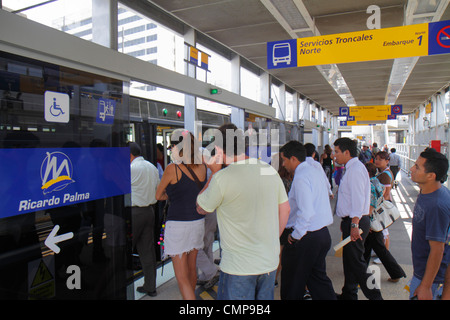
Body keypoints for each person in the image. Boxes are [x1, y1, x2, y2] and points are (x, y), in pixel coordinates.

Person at [196, 123, 290, 300]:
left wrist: (213, 174)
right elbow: (285, 210)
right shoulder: (268, 170)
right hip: (268, 262)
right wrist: (270, 241)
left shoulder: (222, 178)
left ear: (218, 149)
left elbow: (201, 208)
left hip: (238, 267)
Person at [279, 141, 336, 300]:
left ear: (294, 159)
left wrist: (296, 235)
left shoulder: (301, 177)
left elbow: (307, 211)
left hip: (306, 237)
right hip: (322, 234)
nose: (283, 165)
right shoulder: (315, 171)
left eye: (284, 160)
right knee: (318, 280)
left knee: (292, 282)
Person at [155, 129, 207, 300]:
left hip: (177, 225)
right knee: (192, 270)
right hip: (198, 223)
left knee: (181, 276)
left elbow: (158, 195)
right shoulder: (202, 166)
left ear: (177, 146)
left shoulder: (172, 169)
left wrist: (172, 195)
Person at [333, 137, 383, 300]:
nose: (335, 155)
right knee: (350, 261)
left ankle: (376, 297)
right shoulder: (354, 168)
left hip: (357, 221)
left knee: (358, 263)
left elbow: (358, 199)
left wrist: (354, 224)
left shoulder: (354, 170)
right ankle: (349, 294)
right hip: (353, 221)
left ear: (347, 152)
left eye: (337, 152)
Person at [409, 149, 450, 300]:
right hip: (423, 271)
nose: (412, 169)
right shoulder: (428, 192)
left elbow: (438, 249)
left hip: (430, 277)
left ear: (431, 176)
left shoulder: (436, 205)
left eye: (417, 167)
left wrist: (426, 286)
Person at [363, 162, 406, 282]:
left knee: (380, 250)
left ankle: (396, 273)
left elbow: (371, 206)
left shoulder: (370, 185)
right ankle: (361, 272)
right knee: (367, 248)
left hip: (373, 223)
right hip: (377, 221)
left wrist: (368, 223)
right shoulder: (376, 181)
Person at [128, 142, 160, 297]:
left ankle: (121, 289)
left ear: (129, 155)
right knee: (147, 250)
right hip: (149, 211)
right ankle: (150, 286)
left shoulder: (132, 169)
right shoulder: (152, 167)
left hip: (134, 214)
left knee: (124, 250)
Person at [271, 153, 294, 287]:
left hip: (277, 219)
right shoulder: (291, 180)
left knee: (277, 252)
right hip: (289, 221)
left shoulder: (276, 180)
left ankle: (273, 278)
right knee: (282, 252)